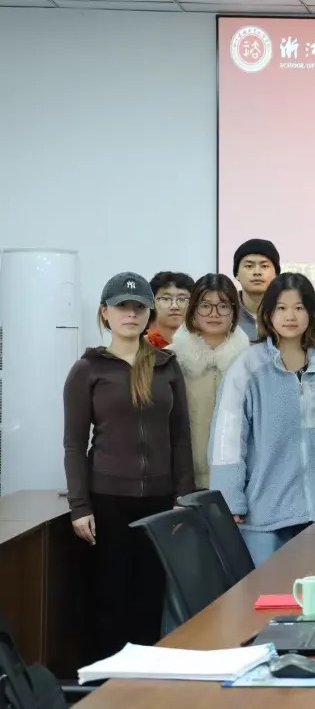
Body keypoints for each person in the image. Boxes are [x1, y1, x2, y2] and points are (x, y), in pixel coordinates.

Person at [63, 272, 195, 658]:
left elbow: (180, 436)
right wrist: (79, 506)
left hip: (159, 501)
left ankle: (145, 681)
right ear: (105, 313)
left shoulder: (166, 365)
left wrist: (183, 495)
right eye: (122, 306)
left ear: (149, 313)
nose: (131, 314)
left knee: (150, 597)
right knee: (111, 598)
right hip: (108, 501)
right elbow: (74, 444)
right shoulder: (88, 368)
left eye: (139, 307)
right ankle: (107, 683)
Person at [209, 272, 315, 566]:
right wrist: (230, 499)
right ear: (268, 313)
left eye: (299, 307)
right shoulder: (248, 366)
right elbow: (228, 438)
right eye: (281, 308)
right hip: (265, 512)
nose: (290, 316)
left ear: (311, 313)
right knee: (267, 592)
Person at [166, 273, 249, 490]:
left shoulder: (251, 363)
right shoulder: (171, 360)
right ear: (193, 310)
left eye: (223, 305)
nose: (214, 313)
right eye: (205, 305)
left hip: (238, 479)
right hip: (181, 479)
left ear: (234, 311)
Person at [233, 238, 280, 341]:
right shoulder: (227, 312)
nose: (257, 272)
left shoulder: (286, 313)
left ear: (276, 274)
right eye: (249, 266)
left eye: (264, 266)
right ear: (236, 274)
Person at [146, 271, 194, 349]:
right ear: (152, 303)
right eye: (166, 299)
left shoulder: (205, 345)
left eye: (182, 299)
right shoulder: (139, 346)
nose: (174, 306)